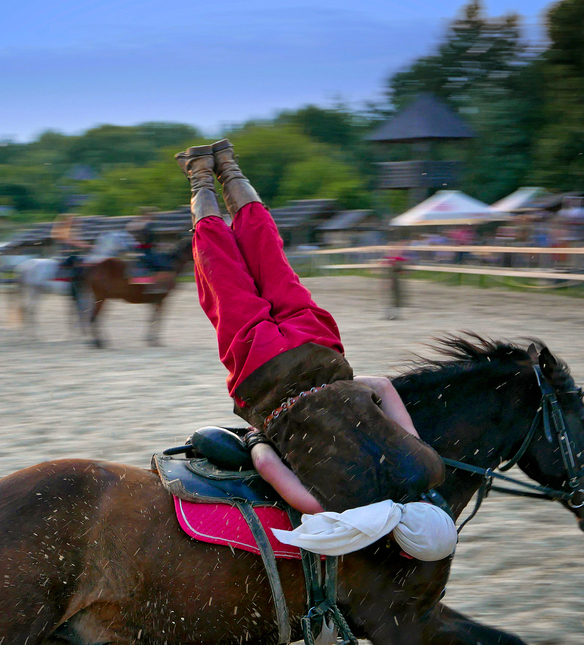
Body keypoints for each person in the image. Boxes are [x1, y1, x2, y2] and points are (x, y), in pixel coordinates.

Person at [174, 140, 450, 549]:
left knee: (271, 259)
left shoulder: (430, 469)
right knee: (222, 276)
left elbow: (385, 387)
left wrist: (350, 390)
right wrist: (258, 435)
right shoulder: (333, 510)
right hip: (266, 374)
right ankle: (199, 172)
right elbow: (266, 464)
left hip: (320, 353)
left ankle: (228, 165)